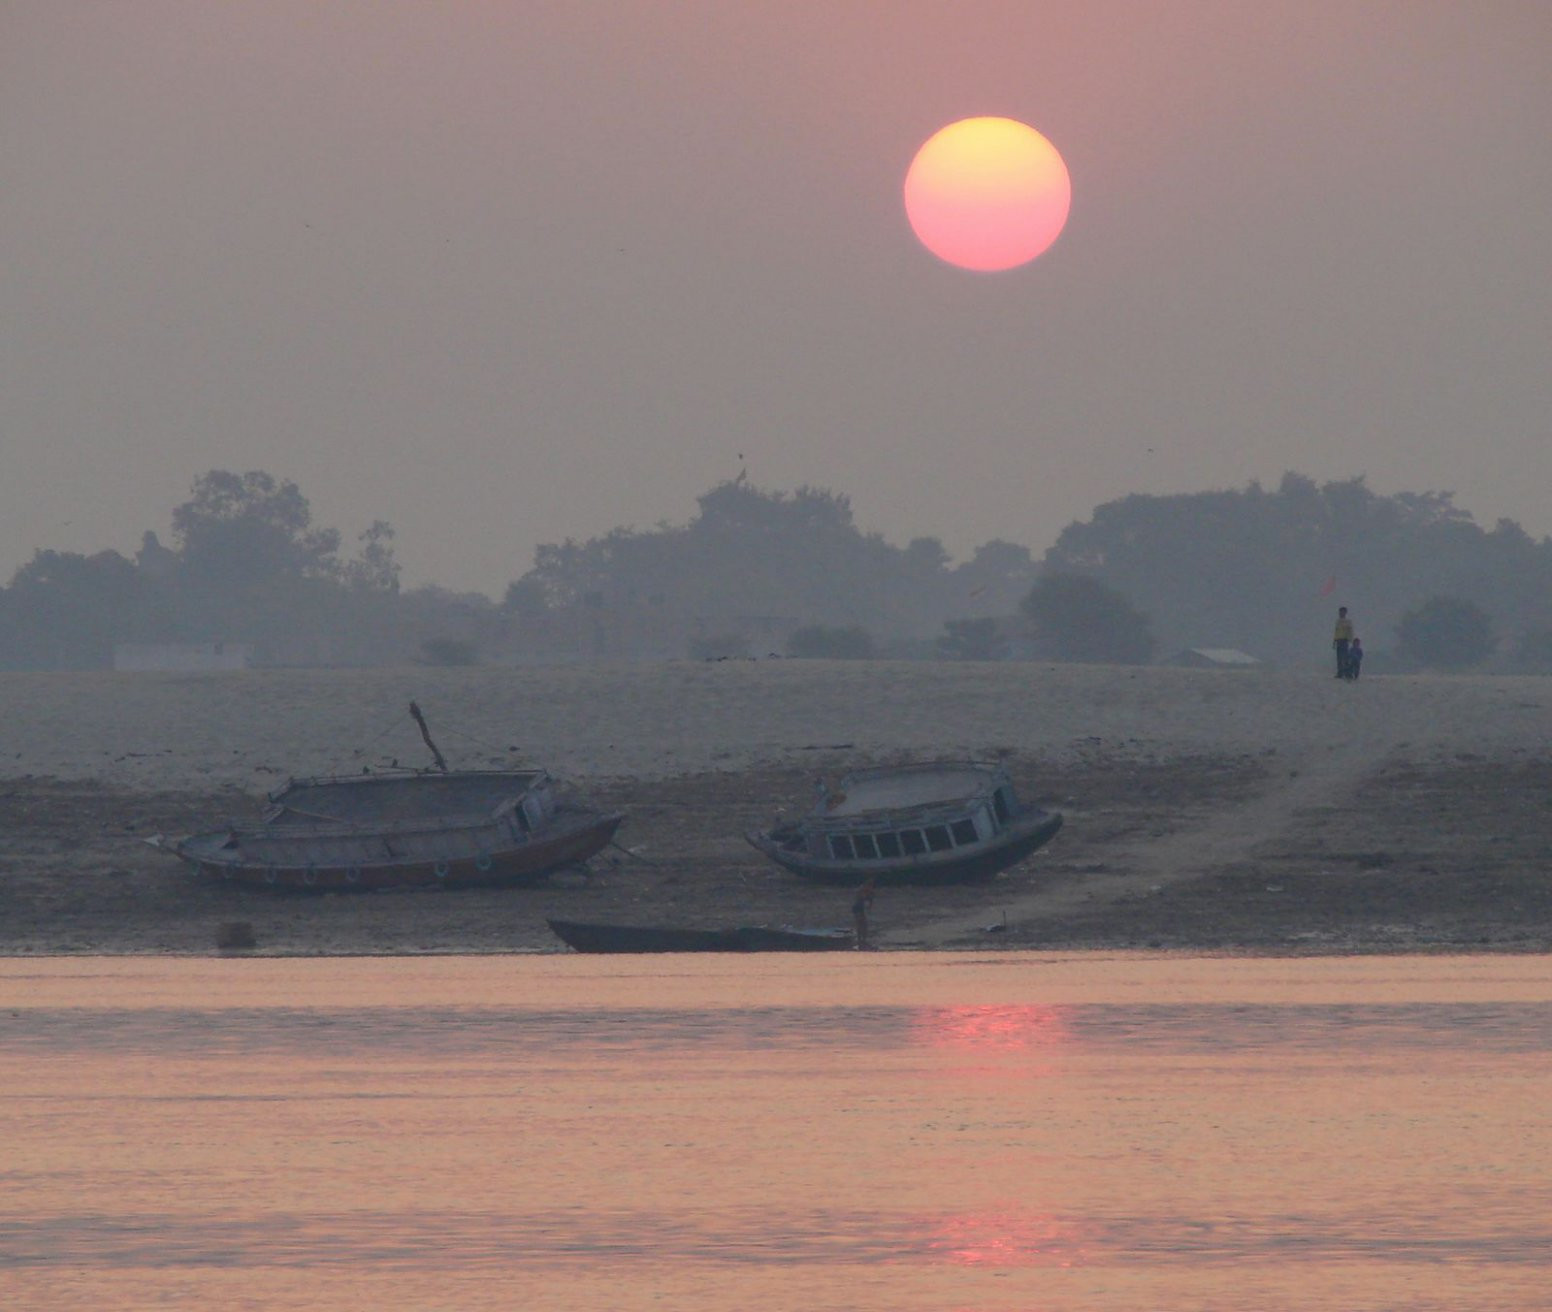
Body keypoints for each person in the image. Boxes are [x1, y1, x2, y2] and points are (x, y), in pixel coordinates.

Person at [851, 876, 876, 950]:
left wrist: (870, 904)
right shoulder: (862, 889)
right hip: (857, 908)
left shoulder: (869, 890)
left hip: (861, 908)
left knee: (864, 925)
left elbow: (870, 900)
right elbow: (862, 897)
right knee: (860, 924)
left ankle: (863, 941)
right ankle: (860, 941)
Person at [1332, 607, 1354, 678]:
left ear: (1345, 612)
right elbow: (1336, 632)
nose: (1341, 613)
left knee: (1345, 657)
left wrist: (1351, 640)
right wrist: (1334, 641)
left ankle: (1347, 673)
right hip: (1338, 641)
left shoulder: (1348, 622)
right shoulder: (1338, 621)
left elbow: (1350, 631)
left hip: (1344, 640)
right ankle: (1340, 673)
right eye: (1340, 612)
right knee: (1339, 658)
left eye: (1342, 612)